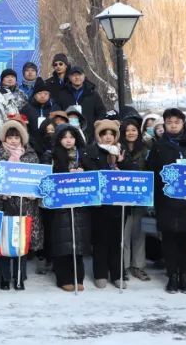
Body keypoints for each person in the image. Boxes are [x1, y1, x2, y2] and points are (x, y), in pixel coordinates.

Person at [148, 107, 186, 295]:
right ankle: (172, 275)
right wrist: (153, 200)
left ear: (183, 123)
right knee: (169, 240)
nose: (173, 126)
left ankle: (184, 275)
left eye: (177, 122)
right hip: (166, 201)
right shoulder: (158, 146)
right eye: (169, 122)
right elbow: (152, 173)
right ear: (164, 125)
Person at [0, 119, 44, 290]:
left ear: (22, 139)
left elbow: (38, 181)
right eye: (10, 137)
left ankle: (19, 276)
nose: (13, 140)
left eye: (17, 137)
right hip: (4, 205)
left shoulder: (31, 156)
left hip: (25, 204)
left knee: (21, 240)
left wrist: (34, 194)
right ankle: (4, 277)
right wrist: (0, 195)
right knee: (4, 239)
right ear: (4, 138)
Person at [48, 125, 93, 291]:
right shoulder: (52, 154)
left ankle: (78, 277)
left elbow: (94, 177)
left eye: (71, 137)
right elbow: (47, 178)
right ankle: (63, 278)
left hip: (80, 204)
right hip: (61, 204)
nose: (68, 140)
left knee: (78, 240)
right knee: (63, 240)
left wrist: (84, 172)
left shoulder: (84, 154)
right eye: (64, 137)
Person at [87, 119, 125, 289]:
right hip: (99, 205)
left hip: (118, 205)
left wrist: (121, 164)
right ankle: (100, 273)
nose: (108, 137)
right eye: (104, 134)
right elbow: (90, 172)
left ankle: (117, 274)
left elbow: (134, 173)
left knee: (117, 241)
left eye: (111, 134)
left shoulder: (122, 151)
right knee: (100, 240)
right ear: (98, 135)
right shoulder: (92, 151)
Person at [118, 117, 150, 281]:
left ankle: (138, 265)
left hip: (140, 195)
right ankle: (123, 266)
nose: (130, 133)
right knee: (124, 233)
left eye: (134, 130)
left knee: (138, 233)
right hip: (122, 196)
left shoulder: (145, 149)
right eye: (127, 130)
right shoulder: (117, 148)